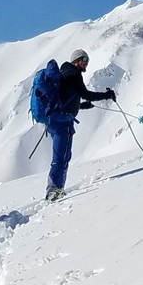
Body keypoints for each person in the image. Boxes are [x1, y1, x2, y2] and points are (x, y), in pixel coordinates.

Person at [43, 49, 115, 201]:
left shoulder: (65, 74)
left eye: (87, 59)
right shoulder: (73, 75)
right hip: (63, 122)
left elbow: (66, 100)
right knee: (62, 156)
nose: (86, 62)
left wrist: (81, 106)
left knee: (60, 155)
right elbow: (86, 94)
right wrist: (106, 95)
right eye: (83, 59)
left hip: (55, 120)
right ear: (75, 60)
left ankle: (55, 189)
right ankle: (54, 190)